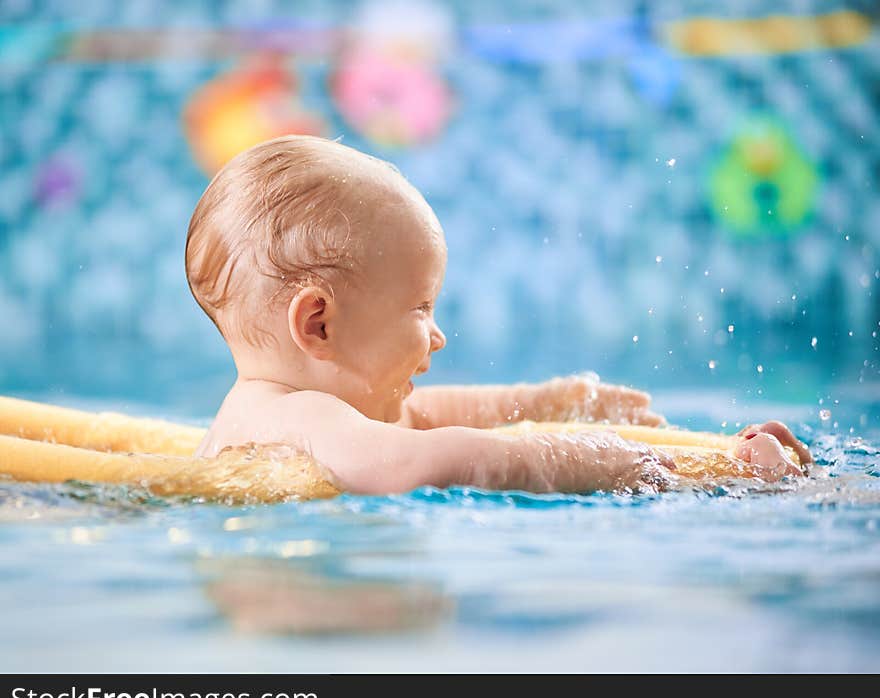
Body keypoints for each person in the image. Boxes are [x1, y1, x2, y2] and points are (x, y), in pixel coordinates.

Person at [185, 135, 809, 495]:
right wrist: (600, 462)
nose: (437, 334)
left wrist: (548, 401)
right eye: (420, 308)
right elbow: (428, 458)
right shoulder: (300, 415)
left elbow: (422, 417)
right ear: (319, 323)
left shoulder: (308, 410)